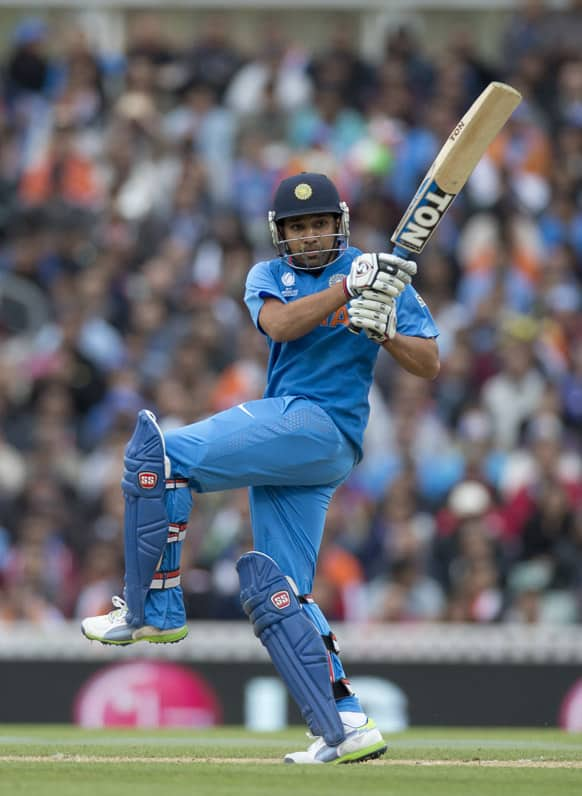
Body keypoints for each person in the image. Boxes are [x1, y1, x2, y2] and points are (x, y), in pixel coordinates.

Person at [81, 172, 439, 763]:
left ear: (338, 224)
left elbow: (427, 362)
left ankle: (151, 609)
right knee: (275, 589)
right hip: (296, 442)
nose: (308, 236)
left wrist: (387, 331)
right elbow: (280, 325)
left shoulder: (380, 276)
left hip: (320, 424)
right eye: (297, 228)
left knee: (161, 455)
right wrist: (350, 289)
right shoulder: (271, 276)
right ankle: (343, 724)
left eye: (318, 224)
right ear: (281, 234)